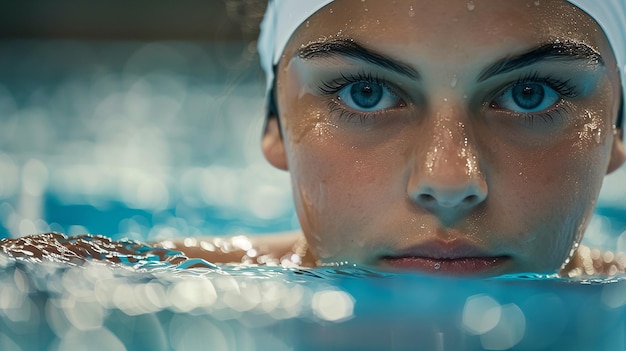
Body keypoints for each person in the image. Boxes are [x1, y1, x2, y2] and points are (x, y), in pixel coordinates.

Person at [2, 0, 626, 277]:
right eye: (365, 93)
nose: (448, 179)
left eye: (530, 94)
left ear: (617, 130)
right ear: (275, 125)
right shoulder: (96, 280)